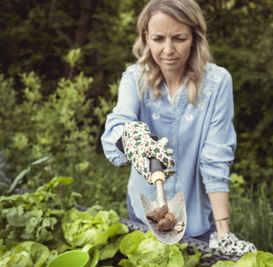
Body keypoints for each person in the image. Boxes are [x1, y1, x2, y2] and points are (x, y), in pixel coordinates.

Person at [101, 0, 256, 256]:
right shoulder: (134, 78)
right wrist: (133, 140)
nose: (168, 50)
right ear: (146, 37)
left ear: (195, 38)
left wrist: (223, 231)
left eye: (180, 38)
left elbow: (215, 159)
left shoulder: (217, 83)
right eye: (159, 38)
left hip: (194, 215)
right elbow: (120, 122)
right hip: (144, 212)